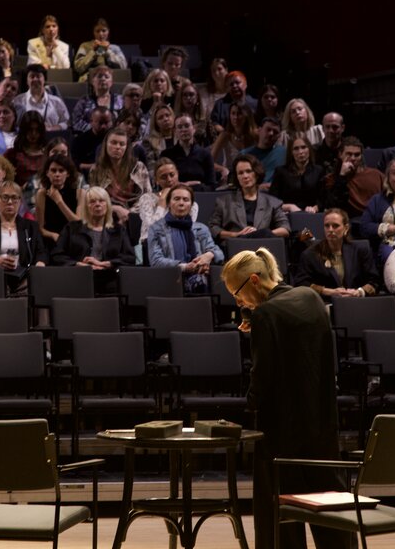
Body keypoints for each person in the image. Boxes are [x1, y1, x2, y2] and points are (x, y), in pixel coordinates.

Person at [220, 248, 353, 549]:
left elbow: (262, 378)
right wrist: (260, 320)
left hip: (282, 433)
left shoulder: (266, 316)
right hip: (322, 426)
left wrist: (249, 406)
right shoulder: (310, 297)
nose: (238, 302)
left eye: (237, 293)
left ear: (254, 280)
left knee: (279, 515)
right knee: (329, 504)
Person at [51, 186, 135, 293]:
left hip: (109, 280)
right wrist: (78, 264)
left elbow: (129, 258)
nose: (97, 204)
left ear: (108, 205)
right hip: (78, 279)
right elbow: (57, 255)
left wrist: (104, 264)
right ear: (86, 207)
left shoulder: (119, 230)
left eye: (101, 201)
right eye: (92, 201)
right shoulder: (71, 228)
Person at [148, 184, 221, 293]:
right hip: (169, 281)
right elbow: (155, 261)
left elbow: (219, 254)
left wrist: (209, 255)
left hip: (199, 282)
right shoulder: (156, 229)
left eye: (186, 200)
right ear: (169, 203)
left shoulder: (201, 228)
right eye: (176, 199)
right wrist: (185, 267)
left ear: (191, 205)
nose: (181, 203)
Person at [295, 209, 379, 301]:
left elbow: (375, 282)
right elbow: (301, 284)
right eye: (327, 226)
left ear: (346, 228)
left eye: (335, 226)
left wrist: (359, 292)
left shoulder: (360, 250)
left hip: (356, 303)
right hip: (324, 303)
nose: (330, 230)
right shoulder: (311, 254)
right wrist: (326, 291)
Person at [209, 154, 290, 242]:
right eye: (240, 173)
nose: (245, 176)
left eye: (248, 171)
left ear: (257, 173)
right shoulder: (223, 202)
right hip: (237, 244)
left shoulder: (273, 202)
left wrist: (260, 234)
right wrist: (235, 234)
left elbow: (285, 229)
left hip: (263, 245)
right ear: (236, 177)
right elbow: (213, 227)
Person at [89, 127, 151, 224]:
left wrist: (129, 213)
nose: (117, 147)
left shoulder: (138, 167)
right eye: (113, 143)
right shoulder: (96, 170)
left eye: (122, 144)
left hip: (136, 215)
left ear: (126, 147)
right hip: (107, 215)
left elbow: (147, 196)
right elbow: (94, 199)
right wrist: (114, 208)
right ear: (105, 145)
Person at [137, 160, 198, 254]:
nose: (169, 180)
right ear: (156, 180)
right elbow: (152, 229)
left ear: (177, 174)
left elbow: (187, 229)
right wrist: (162, 203)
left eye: (172, 175)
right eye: (163, 177)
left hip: (179, 245)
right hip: (151, 245)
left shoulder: (190, 204)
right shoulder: (147, 199)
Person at [35, 153, 84, 247]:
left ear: (68, 173)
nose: (57, 174)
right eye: (53, 170)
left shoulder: (80, 193)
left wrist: (59, 201)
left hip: (73, 240)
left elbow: (78, 225)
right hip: (51, 240)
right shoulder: (42, 194)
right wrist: (53, 235)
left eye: (61, 171)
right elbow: (40, 228)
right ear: (47, 173)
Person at [270, 135, 325, 213]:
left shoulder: (318, 171)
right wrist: (289, 207)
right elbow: (272, 201)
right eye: (296, 149)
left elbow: (324, 199)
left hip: (312, 214)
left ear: (309, 149)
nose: (300, 152)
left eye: (303, 147)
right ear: (291, 152)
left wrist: (315, 208)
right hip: (288, 214)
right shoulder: (281, 172)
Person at [160, 115, 215, 190]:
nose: (184, 130)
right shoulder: (166, 155)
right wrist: (187, 185)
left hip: (201, 195)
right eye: (180, 127)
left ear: (194, 128)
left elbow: (211, 185)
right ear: (175, 131)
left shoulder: (205, 154)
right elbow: (163, 184)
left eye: (187, 126)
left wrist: (197, 187)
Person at [210, 103, 257, 187]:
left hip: (251, 176)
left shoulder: (255, 136)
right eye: (233, 113)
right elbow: (209, 161)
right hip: (230, 177)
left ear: (247, 115)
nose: (235, 117)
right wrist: (222, 169)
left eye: (239, 113)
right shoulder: (225, 135)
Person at [13, 64, 70, 131]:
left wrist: (52, 128)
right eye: (32, 76)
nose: (35, 79)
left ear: (44, 79)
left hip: (51, 136)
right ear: (27, 81)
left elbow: (66, 122)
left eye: (38, 76)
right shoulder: (18, 101)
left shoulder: (57, 101)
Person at [71, 66, 123, 134]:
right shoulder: (84, 101)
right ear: (92, 81)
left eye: (106, 77)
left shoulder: (120, 100)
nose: (103, 79)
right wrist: (95, 128)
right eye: (99, 76)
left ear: (111, 82)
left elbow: (125, 120)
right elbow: (76, 122)